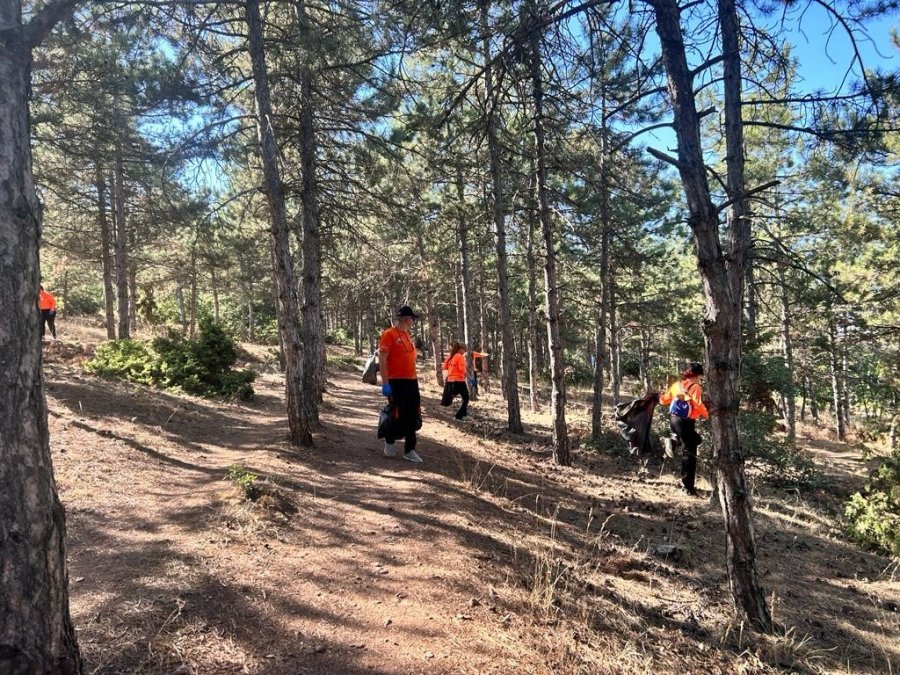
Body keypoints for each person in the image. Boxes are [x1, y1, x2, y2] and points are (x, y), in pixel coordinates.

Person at [378, 305, 423, 463]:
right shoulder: (389, 334)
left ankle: (409, 450)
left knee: (413, 414)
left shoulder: (408, 335)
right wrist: (385, 383)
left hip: (411, 381)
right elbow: (382, 359)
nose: (413, 321)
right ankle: (389, 441)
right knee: (397, 413)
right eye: (412, 318)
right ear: (406, 318)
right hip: (396, 381)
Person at [659, 362, 709, 496]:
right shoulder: (695, 387)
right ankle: (688, 488)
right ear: (697, 375)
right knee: (690, 454)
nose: (701, 379)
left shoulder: (677, 385)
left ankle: (674, 441)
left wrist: (657, 396)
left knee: (696, 440)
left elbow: (664, 400)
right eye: (700, 376)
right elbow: (698, 404)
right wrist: (706, 414)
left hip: (674, 420)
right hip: (685, 422)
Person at [441, 342, 470, 420]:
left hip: (450, 381)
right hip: (459, 381)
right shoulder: (460, 357)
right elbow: (462, 370)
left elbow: (444, 367)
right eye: (464, 350)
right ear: (461, 349)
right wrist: (470, 378)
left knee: (463, 397)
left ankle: (464, 415)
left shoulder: (450, 356)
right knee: (466, 398)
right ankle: (458, 416)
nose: (464, 352)